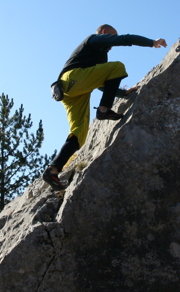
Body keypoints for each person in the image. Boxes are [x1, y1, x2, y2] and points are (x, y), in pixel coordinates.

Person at [42, 24, 167, 190]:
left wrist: (123, 94)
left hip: (71, 92)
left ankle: (53, 170)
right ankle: (103, 110)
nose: (111, 45)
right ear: (104, 32)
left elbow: (102, 85)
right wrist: (152, 42)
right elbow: (125, 39)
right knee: (118, 66)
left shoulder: (101, 58)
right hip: (73, 78)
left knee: (79, 133)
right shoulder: (93, 40)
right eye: (111, 38)